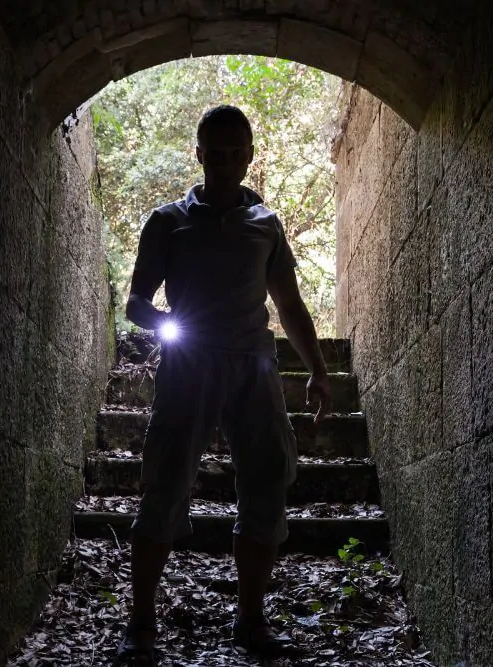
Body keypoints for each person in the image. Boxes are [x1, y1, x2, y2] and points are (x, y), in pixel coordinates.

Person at [116, 104, 332, 665]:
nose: (226, 161)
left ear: (250, 155)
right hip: (190, 365)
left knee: (266, 482)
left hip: (254, 365)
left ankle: (250, 619)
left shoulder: (266, 224)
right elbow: (137, 300)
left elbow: (288, 303)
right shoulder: (167, 222)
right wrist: (167, 326)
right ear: (199, 154)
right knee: (165, 483)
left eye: (237, 151)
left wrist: (316, 369)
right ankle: (141, 621)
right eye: (215, 151)